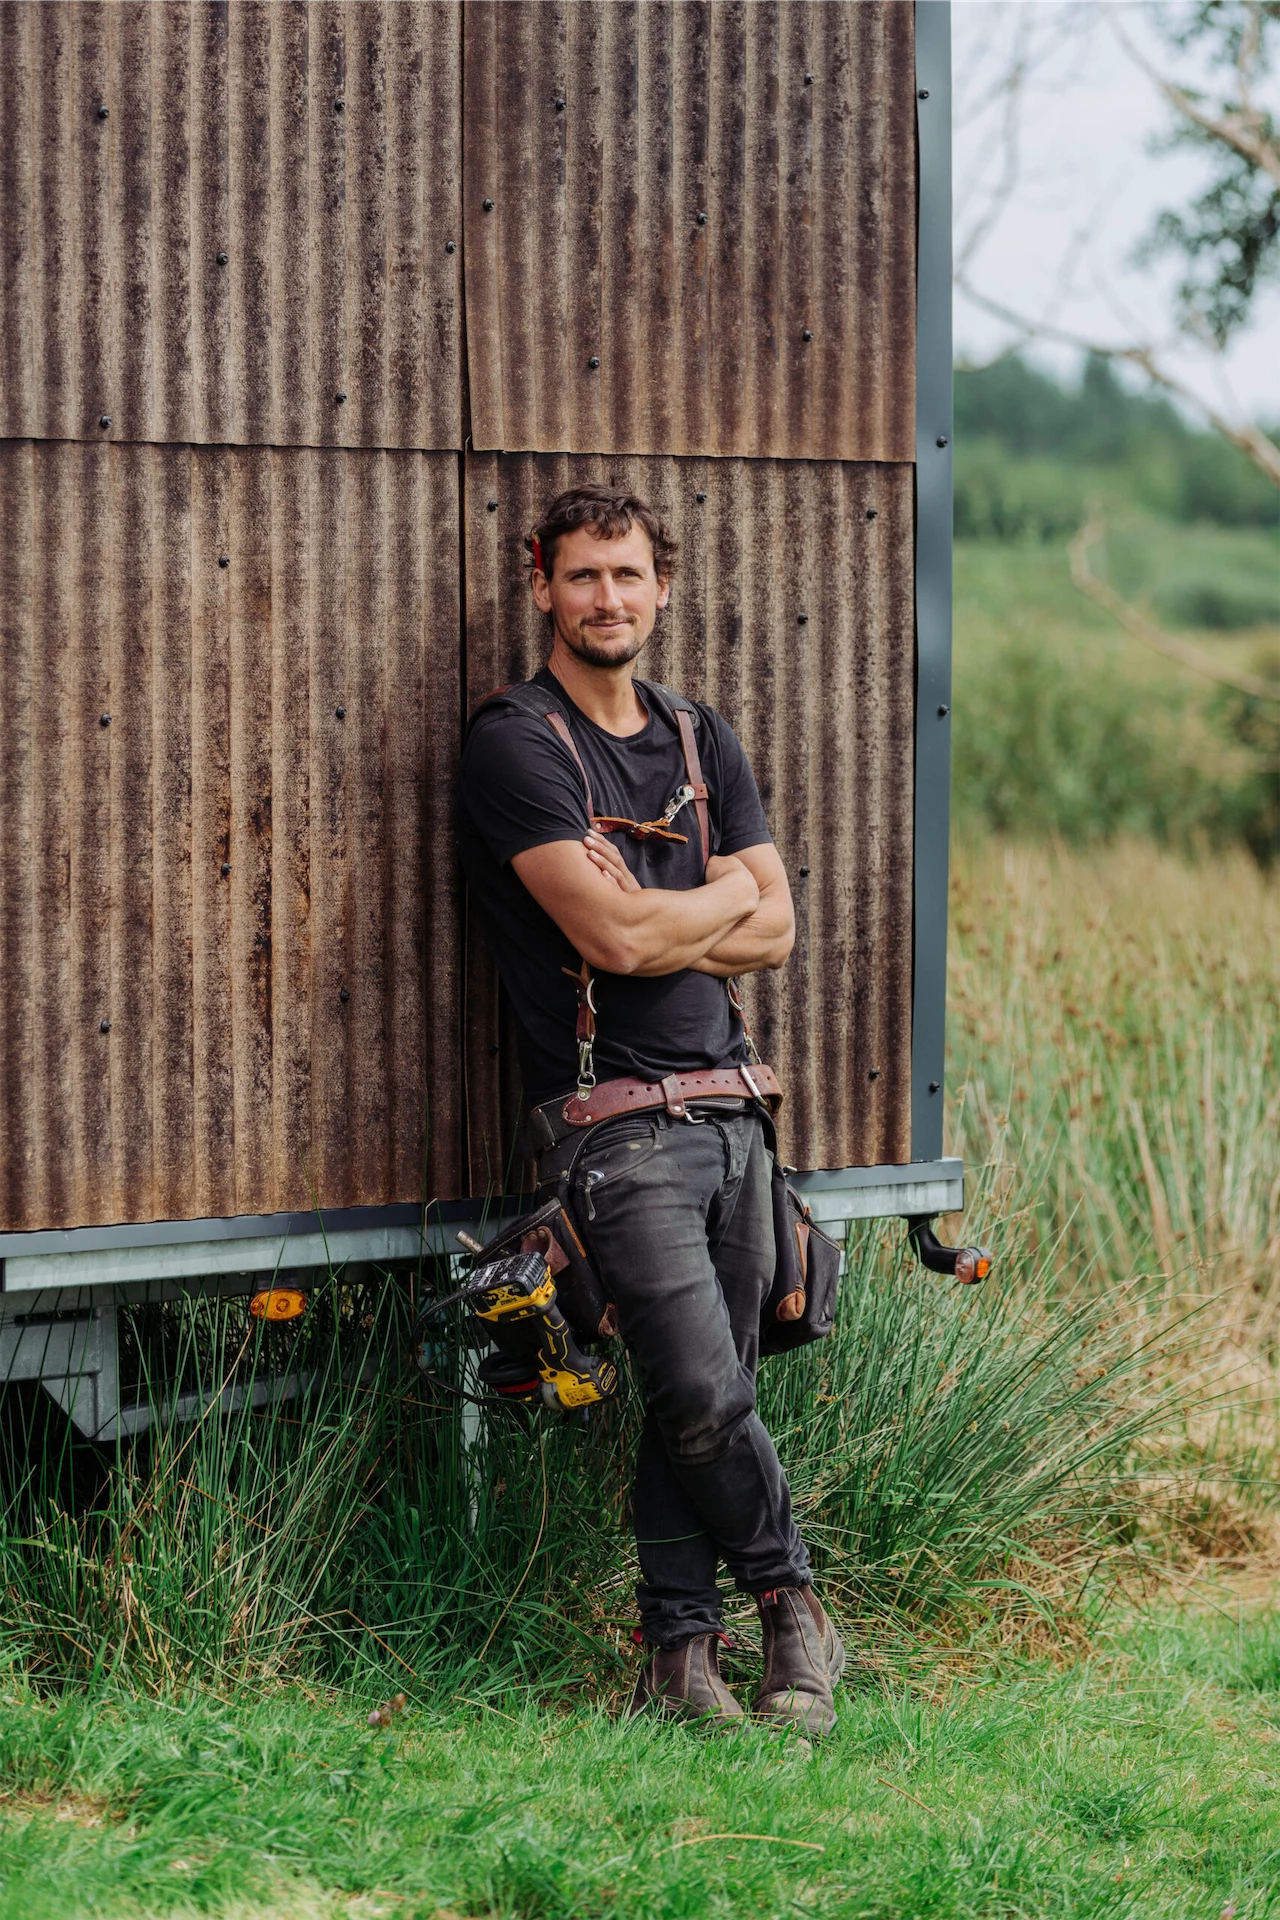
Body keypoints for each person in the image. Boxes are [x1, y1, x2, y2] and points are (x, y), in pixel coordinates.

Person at [456, 484, 845, 1732]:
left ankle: (680, 1661)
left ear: (660, 588)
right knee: (696, 1391)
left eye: (625, 576)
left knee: (705, 1388)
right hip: (610, 1126)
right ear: (541, 586)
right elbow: (610, 932)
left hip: (736, 1110)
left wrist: (681, 913)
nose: (605, 599)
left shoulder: (698, 737)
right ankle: (792, 1608)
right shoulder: (515, 743)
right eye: (580, 576)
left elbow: (777, 929)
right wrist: (713, 897)